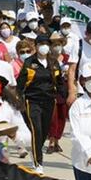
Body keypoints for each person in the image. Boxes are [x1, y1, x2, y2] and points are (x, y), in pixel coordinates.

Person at [15, 34, 63, 172]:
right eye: (41, 44)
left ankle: (36, 151)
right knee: (36, 129)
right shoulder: (29, 62)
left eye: (46, 44)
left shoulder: (53, 62)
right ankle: (38, 163)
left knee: (44, 131)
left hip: (49, 100)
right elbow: (21, 83)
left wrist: (64, 94)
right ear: (36, 46)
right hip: (32, 101)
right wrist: (18, 99)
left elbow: (59, 81)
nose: (44, 47)